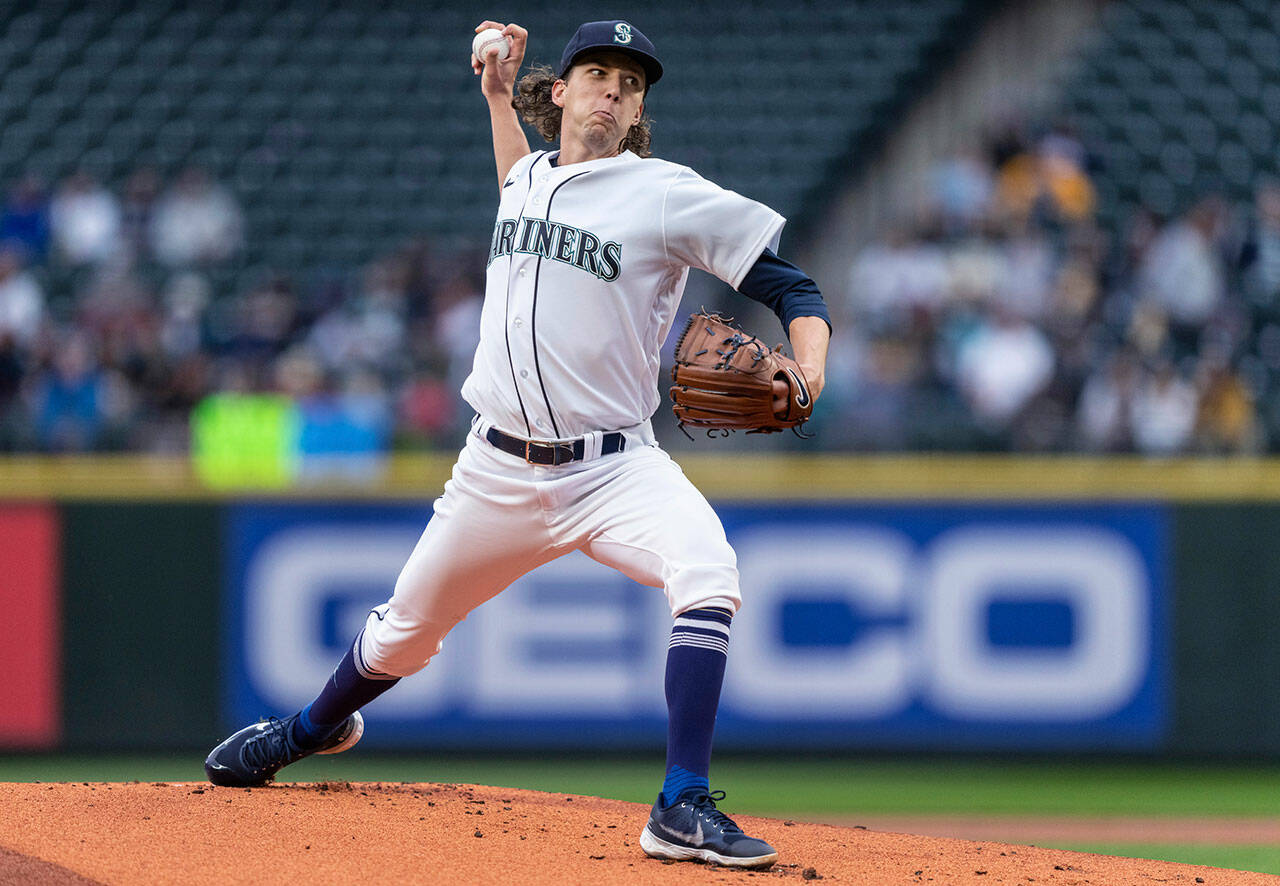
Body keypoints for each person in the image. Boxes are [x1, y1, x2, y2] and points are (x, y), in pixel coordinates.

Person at [204, 19, 831, 871]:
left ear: (639, 108)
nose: (614, 88)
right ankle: (305, 732)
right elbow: (516, 185)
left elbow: (792, 282)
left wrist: (809, 364)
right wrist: (498, 97)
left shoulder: (662, 191)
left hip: (617, 469)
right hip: (494, 470)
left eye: (632, 82)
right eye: (599, 73)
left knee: (709, 570)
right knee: (400, 637)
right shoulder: (530, 177)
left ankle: (681, 802)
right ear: (562, 91)